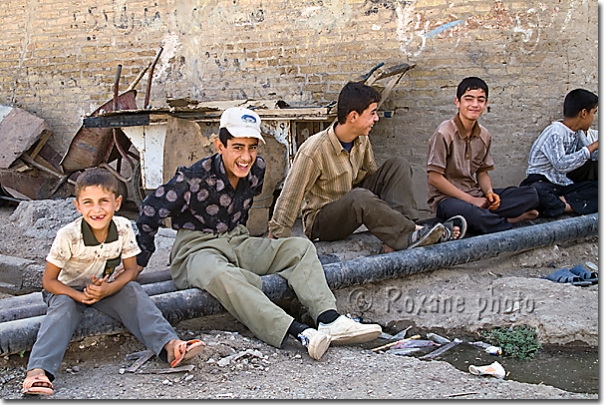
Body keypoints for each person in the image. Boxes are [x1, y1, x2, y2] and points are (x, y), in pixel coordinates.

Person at [135, 107, 383, 362]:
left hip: (236, 239)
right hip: (197, 249)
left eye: (252, 147)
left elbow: (240, 213)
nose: (246, 156)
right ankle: (299, 332)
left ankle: (329, 319)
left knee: (299, 248)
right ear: (220, 145)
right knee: (222, 274)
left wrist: (267, 246)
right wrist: (138, 263)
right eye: (238, 147)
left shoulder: (256, 170)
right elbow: (150, 208)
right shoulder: (194, 179)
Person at [21, 168, 205, 396]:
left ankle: (169, 346)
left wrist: (108, 288)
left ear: (117, 203)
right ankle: (38, 371)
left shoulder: (123, 228)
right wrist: (79, 296)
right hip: (66, 290)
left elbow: (130, 271)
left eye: (103, 201)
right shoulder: (68, 235)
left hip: (104, 287)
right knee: (63, 309)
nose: (96, 209)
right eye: (88, 202)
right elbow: (48, 281)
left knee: (133, 291)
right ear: (78, 206)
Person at [268, 81, 463, 253]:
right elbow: (290, 196)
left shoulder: (362, 140)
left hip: (353, 202)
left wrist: (384, 214)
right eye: (372, 113)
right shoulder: (314, 150)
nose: (376, 118)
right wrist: (275, 240)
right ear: (353, 116)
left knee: (397, 166)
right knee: (359, 197)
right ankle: (411, 233)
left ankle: (406, 233)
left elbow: (373, 179)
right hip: (322, 222)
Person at [426, 77, 540, 235]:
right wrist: (470, 200)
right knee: (472, 213)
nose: (474, 105)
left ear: (485, 104)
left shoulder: (484, 135)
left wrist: (488, 193)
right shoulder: (444, 133)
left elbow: (482, 172)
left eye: (480, 100)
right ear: (457, 102)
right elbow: (434, 178)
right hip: (447, 200)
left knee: (531, 195)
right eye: (469, 99)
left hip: (476, 195)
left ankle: (475, 221)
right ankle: (509, 220)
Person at [519, 88, 598, 218]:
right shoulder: (555, 132)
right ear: (584, 113)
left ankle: (560, 204)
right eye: (593, 113)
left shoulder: (578, 133)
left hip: (562, 186)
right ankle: (568, 204)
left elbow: (594, 148)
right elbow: (561, 165)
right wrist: (593, 147)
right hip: (542, 183)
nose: (593, 118)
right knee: (536, 193)